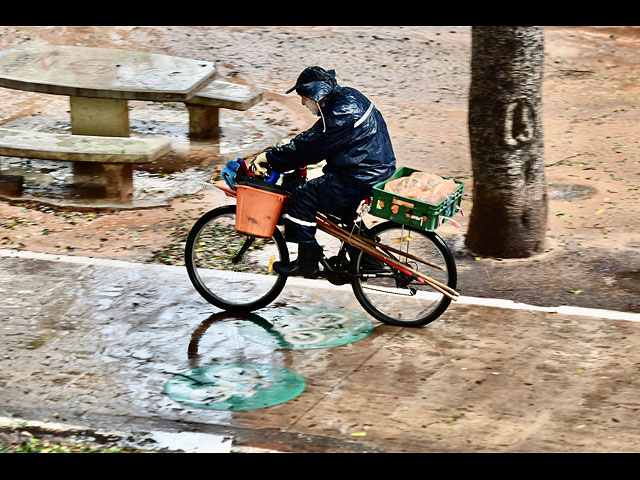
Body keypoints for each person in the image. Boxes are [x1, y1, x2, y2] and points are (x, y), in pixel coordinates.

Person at [251, 66, 396, 278]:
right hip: (374, 167)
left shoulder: (340, 112)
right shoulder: (347, 97)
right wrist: (289, 148)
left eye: (303, 96)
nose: (302, 102)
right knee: (342, 211)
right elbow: (316, 137)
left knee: (302, 197)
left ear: (316, 93)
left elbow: (312, 147)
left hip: (361, 175)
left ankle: (306, 263)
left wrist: (271, 158)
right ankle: (367, 258)